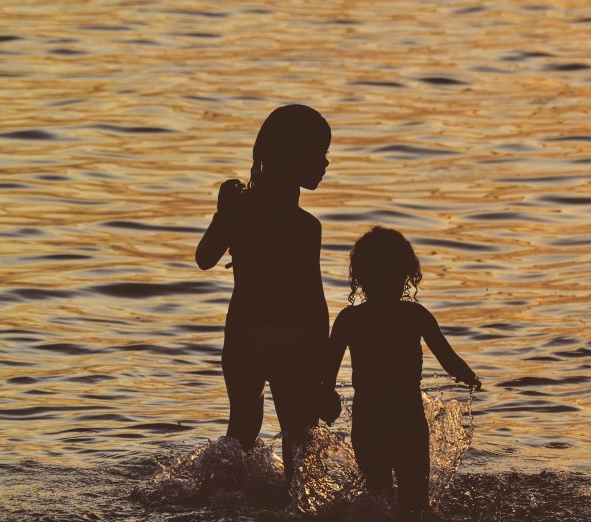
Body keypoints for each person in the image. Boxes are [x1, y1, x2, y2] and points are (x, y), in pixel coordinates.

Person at [195, 104, 331, 484]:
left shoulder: (240, 209)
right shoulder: (306, 227)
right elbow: (314, 302)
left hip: (244, 337)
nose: (325, 163)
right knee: (299, 442)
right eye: (318, 153)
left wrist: (224, 213)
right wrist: (323, 372)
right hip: (293, 339)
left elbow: (204, 258)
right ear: (292, 155)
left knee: (241, 431)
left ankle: (220, 498)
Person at [321, 226, 481, 521]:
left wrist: (324, 399)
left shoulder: (350, 319)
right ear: (406, 274)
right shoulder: (415, 315)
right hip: (407, 419)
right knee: (415, 501)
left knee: (378, 495)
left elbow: (327, 373)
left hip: (368, 420)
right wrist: (469, 376)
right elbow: (448, 359)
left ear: (360, 277)